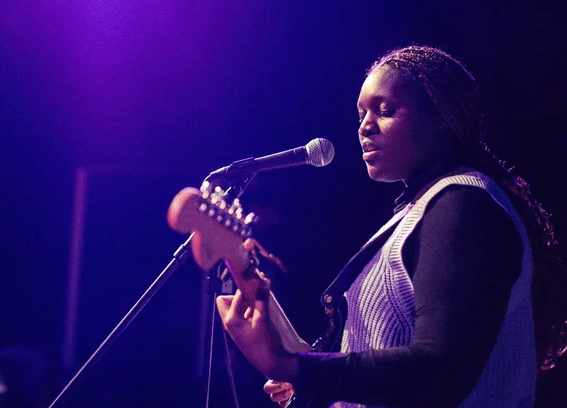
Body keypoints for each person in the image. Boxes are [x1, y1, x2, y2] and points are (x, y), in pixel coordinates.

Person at [216, 46, 565, 408]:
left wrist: (293, 366)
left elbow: (440, 370)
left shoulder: (463, 204)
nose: (365, 127)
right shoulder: (425, 210)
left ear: (442, 117)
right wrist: (320, 383)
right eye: (361, 113)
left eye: (386, 111)